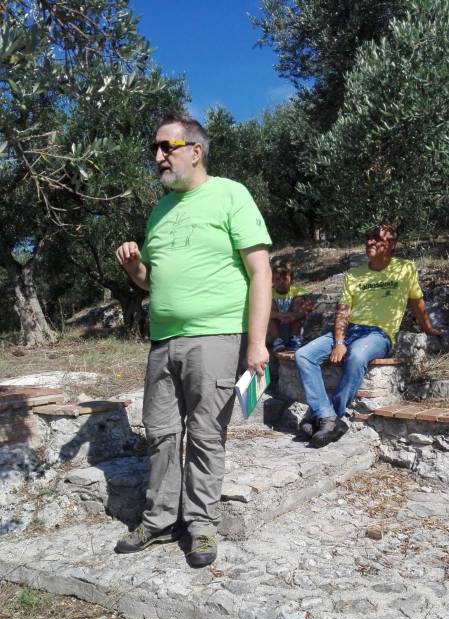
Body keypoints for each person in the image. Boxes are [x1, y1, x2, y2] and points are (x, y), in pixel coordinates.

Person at [114, 114, 272, 566]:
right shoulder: (159, 211)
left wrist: (256, 343)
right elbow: (152, 282)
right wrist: (134, 267)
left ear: (196, 151)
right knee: (161, 433)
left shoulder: (230, 194)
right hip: (162, 341)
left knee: (205, 434)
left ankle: (201, 525)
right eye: (154, 148)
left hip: (215, 337)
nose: (158, 156)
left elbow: (261, 272)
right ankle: (160, 520)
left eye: (167, 146)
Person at [295, 223, 442, 447]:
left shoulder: (405, 268)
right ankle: (326, 415)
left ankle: (326, 417)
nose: (370, 241)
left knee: (356, 356)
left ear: (391, 244)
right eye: (368, 237)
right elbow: (343, 311)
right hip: (350, 330)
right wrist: (339, 341)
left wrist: (428, 328)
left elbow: (416, 303)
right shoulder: (354, 275)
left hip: (378, 334)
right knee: (303, 355)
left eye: (376, 238)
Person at [268, 259, 313, 352]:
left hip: (292, 321)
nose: (281, 282)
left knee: (298, 300)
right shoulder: (269, 292)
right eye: (277, 279)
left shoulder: (296, 290)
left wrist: (294, 316)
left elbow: (308, 308)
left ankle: (293, 338)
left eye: (285, 279)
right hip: (276, 324)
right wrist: (278, 315)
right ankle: (277, 341)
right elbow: (263, 313)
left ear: (291, 280)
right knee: (269, 307)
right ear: (272, 280)